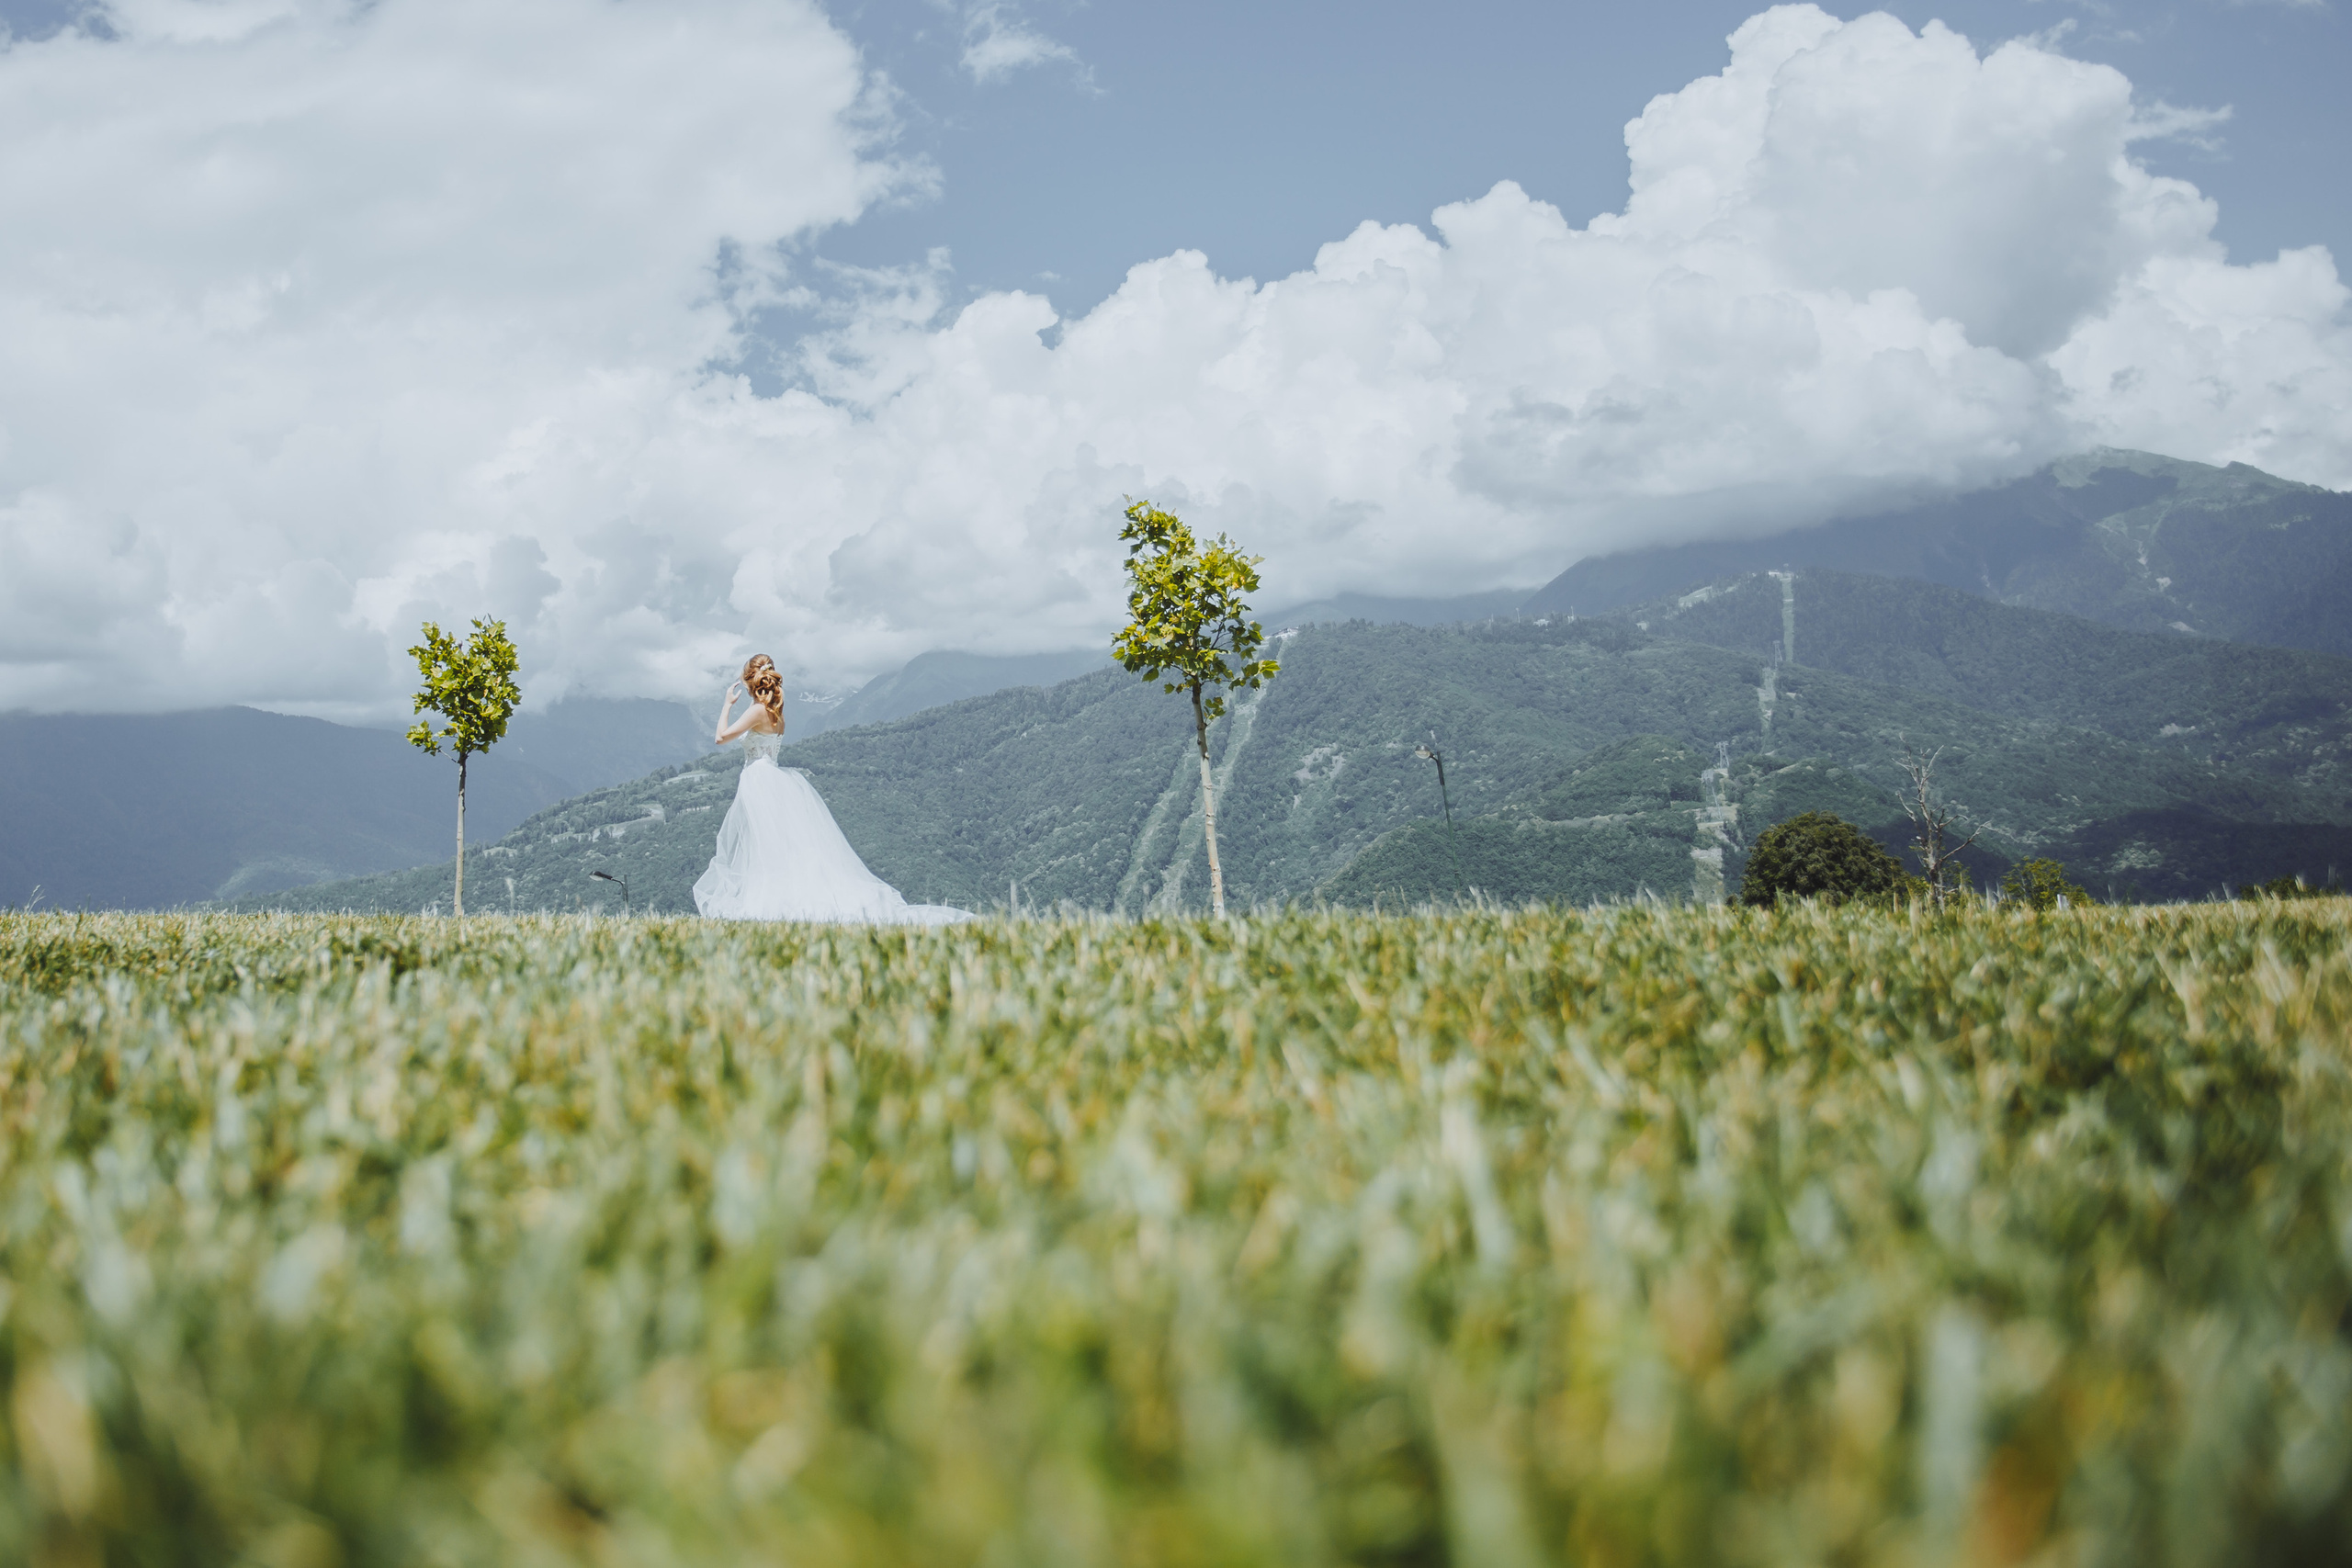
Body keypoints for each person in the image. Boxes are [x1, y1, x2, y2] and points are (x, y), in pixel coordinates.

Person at [692, 654, 971, 924]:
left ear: (751, 682)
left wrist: (727, 704)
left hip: (759, 781)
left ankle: (774, 901)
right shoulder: (777, 714)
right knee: (780, 846)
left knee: (765, 846)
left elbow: (720, 738)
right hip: (774, 778)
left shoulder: (756, 711)